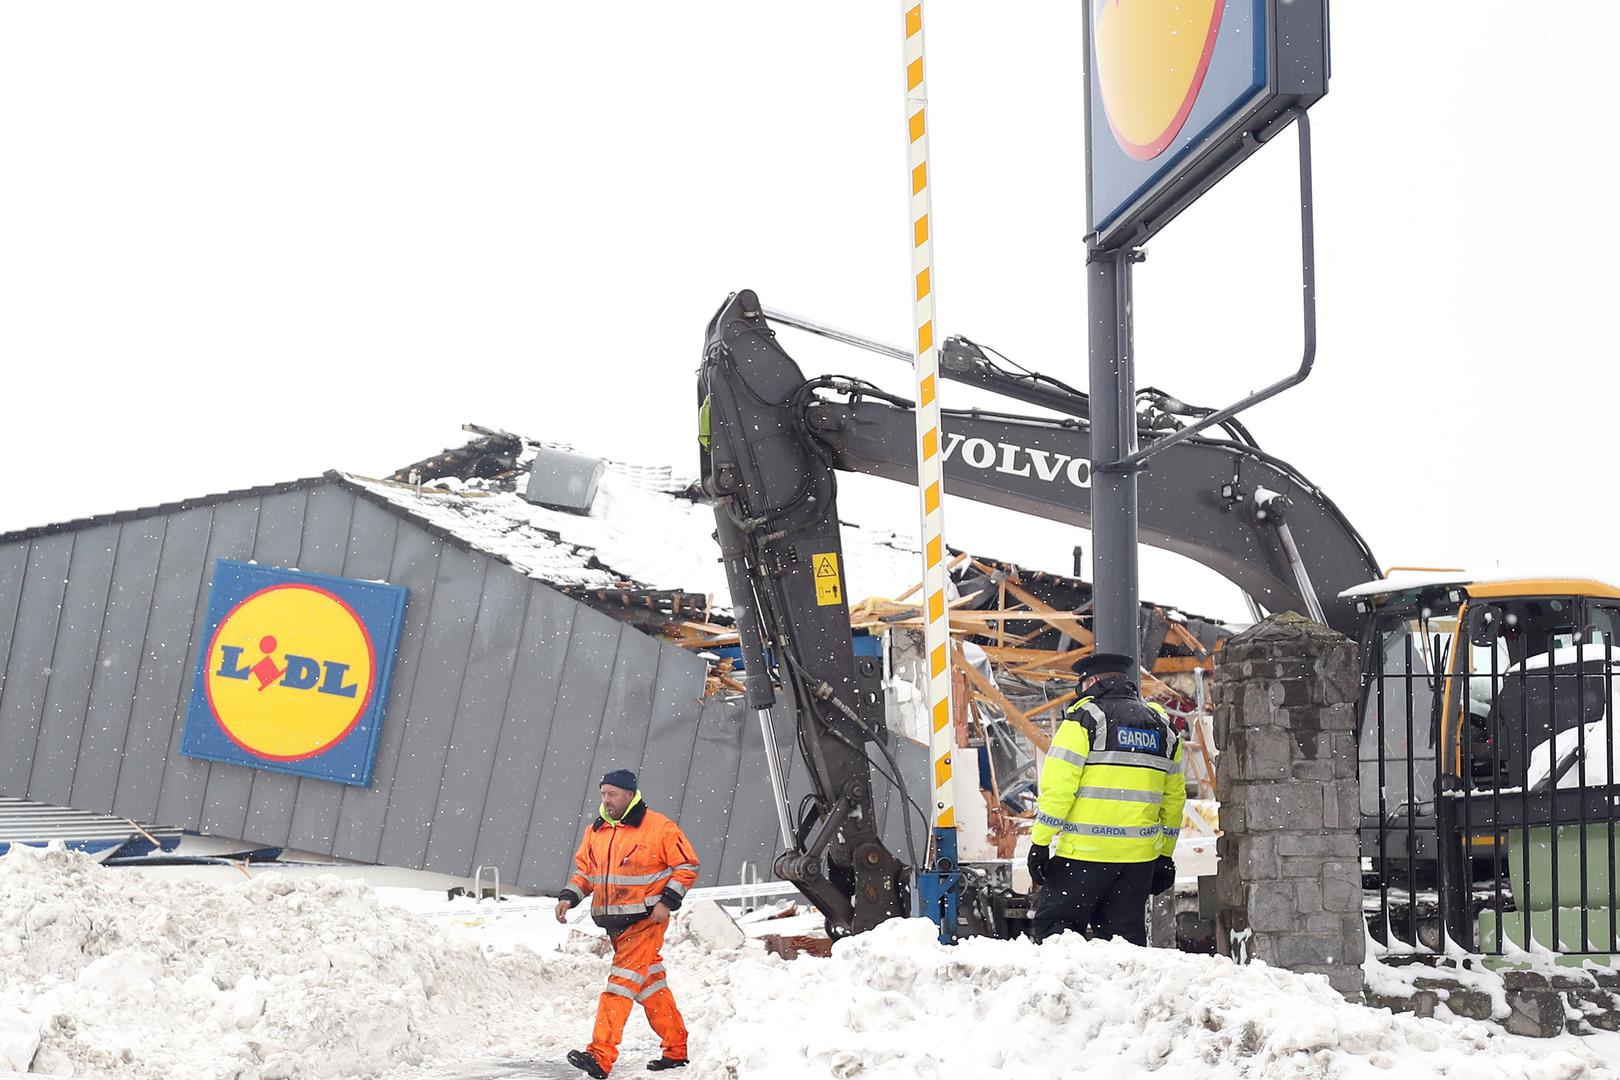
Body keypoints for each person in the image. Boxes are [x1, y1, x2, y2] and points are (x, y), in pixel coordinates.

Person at [1027, 652, 1184, 945]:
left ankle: (1068, 992)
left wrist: (1040, 841)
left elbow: (1059, 789)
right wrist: (1164, 854)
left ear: (1094, 681)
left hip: (1085, 856)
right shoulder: (1163, 727)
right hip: (1138, 861)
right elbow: (1174, 799)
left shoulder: (1085, 719)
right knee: (1124, 944)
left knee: (1056, 935)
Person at [556, 769, 700, 1078]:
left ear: (629, 794)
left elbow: (687, 865)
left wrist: (667, 902)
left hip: (646, 922)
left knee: (618, 986)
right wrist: (570, 895)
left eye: (612, 794)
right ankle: (676, 1049)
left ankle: (600, 1055)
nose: (606, 800)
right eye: (603, 794)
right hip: (616, 926)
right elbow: (587, 873)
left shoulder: (659, 828)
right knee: (651, 986)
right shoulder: (596, 831)